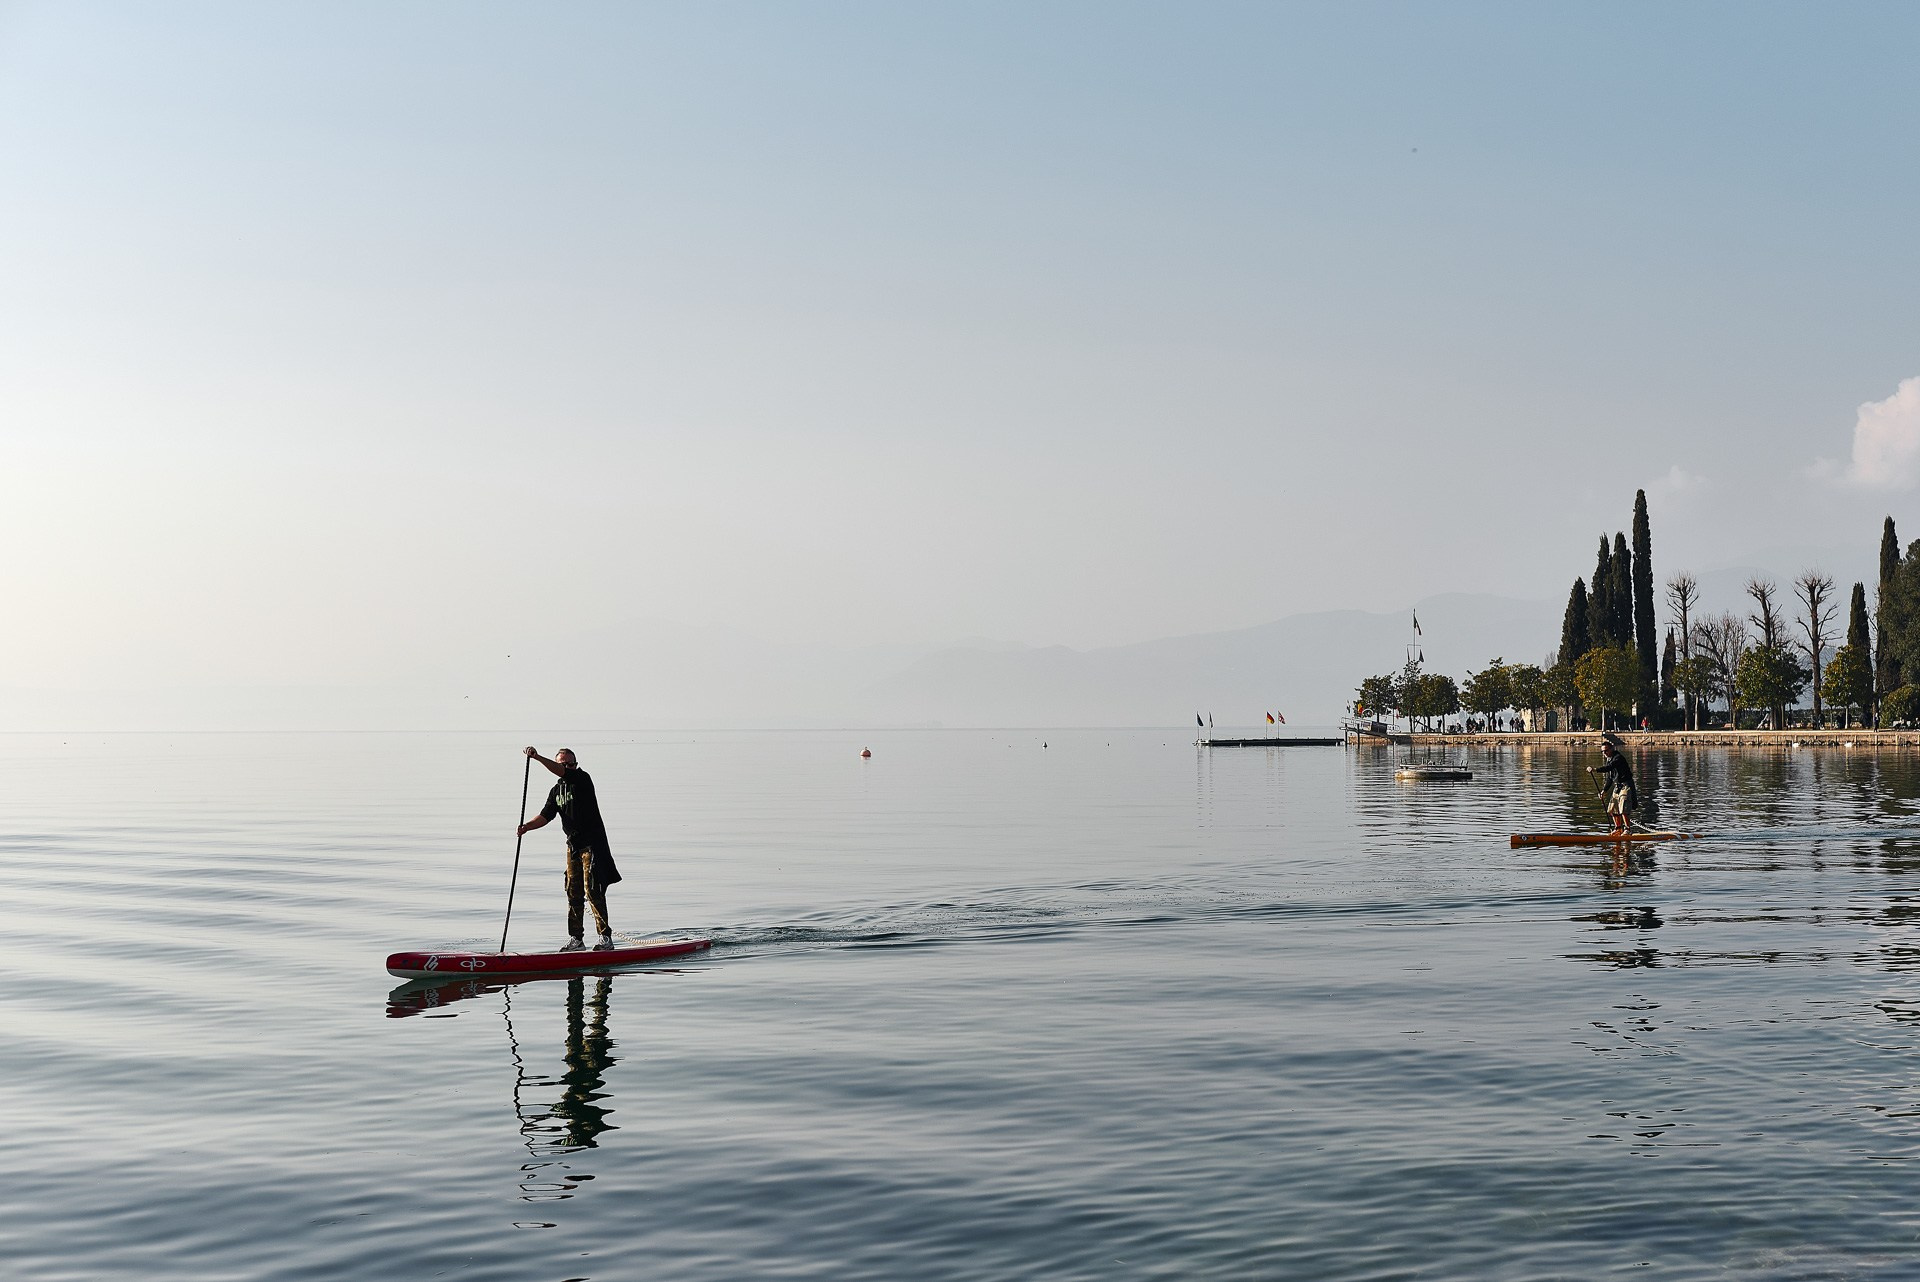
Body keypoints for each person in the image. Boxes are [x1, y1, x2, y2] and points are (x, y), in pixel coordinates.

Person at [516, 747, 623, 950]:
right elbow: (545, 816)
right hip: (573, 846)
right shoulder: (556, 791)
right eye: (562, 763)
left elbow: (561, 771)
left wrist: (537, 757)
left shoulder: (583, 779)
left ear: (575, 764)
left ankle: (605, 939)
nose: (566, 767)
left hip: (592, 844)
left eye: (569, 764)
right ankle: (577, 939)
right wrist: (527, 827)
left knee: (593, 890)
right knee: (573, 892)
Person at [1585, 736, 1638, 835]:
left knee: (1623, 809)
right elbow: (1610, 778)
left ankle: (1628, 829)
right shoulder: (1609, 759)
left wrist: (1595, 769)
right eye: (1602, 752)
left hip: (1626, 785)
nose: (1604, 753)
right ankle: (1618, 829)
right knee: (1612, 809)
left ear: (1612, 749)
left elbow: (1609, 767)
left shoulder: (1618, 758)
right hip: (1617, 786)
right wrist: (1604, 791)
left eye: (1606, 751)